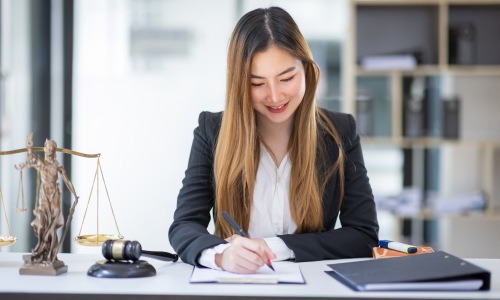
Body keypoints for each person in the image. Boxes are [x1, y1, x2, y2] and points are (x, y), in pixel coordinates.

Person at [169, 6, 378, 274]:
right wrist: (221, 255)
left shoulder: (340, 131)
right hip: (234, 286)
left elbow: (363, 235)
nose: (275, 96)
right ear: (239, 84)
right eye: (258, 83)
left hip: (313, 288)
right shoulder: (212, 131)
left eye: (287, 78)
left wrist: (271, 247)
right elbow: (184, 226)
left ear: (307, 69)